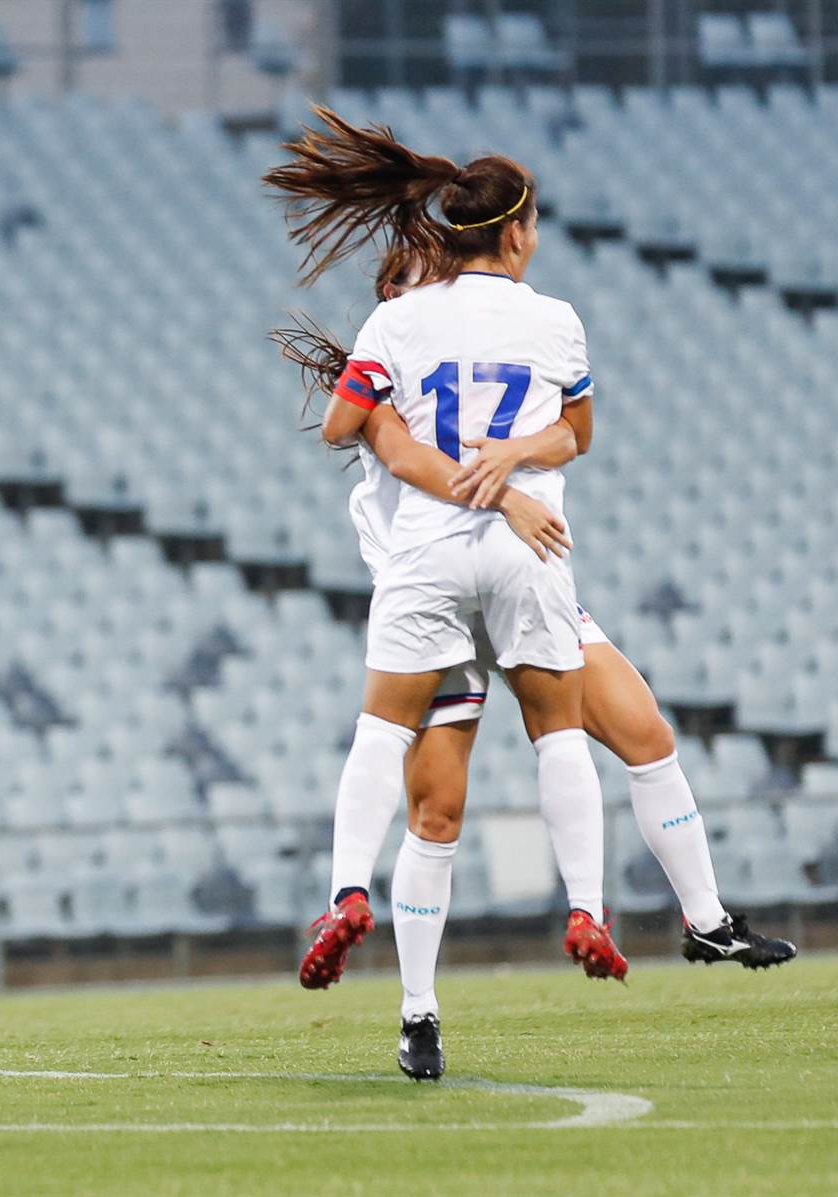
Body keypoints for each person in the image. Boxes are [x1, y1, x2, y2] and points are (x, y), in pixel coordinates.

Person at [263, 108, 616, 1081]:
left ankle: (346, 897)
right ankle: (567, 915)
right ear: (515, 230)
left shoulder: (397, 335)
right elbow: (569, 432)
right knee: (501, 770)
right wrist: (505, 485)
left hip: (426, 573)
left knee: (407, 770)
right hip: (507, 560)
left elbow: (354, 427)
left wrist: (441, 451)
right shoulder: (545, 320)